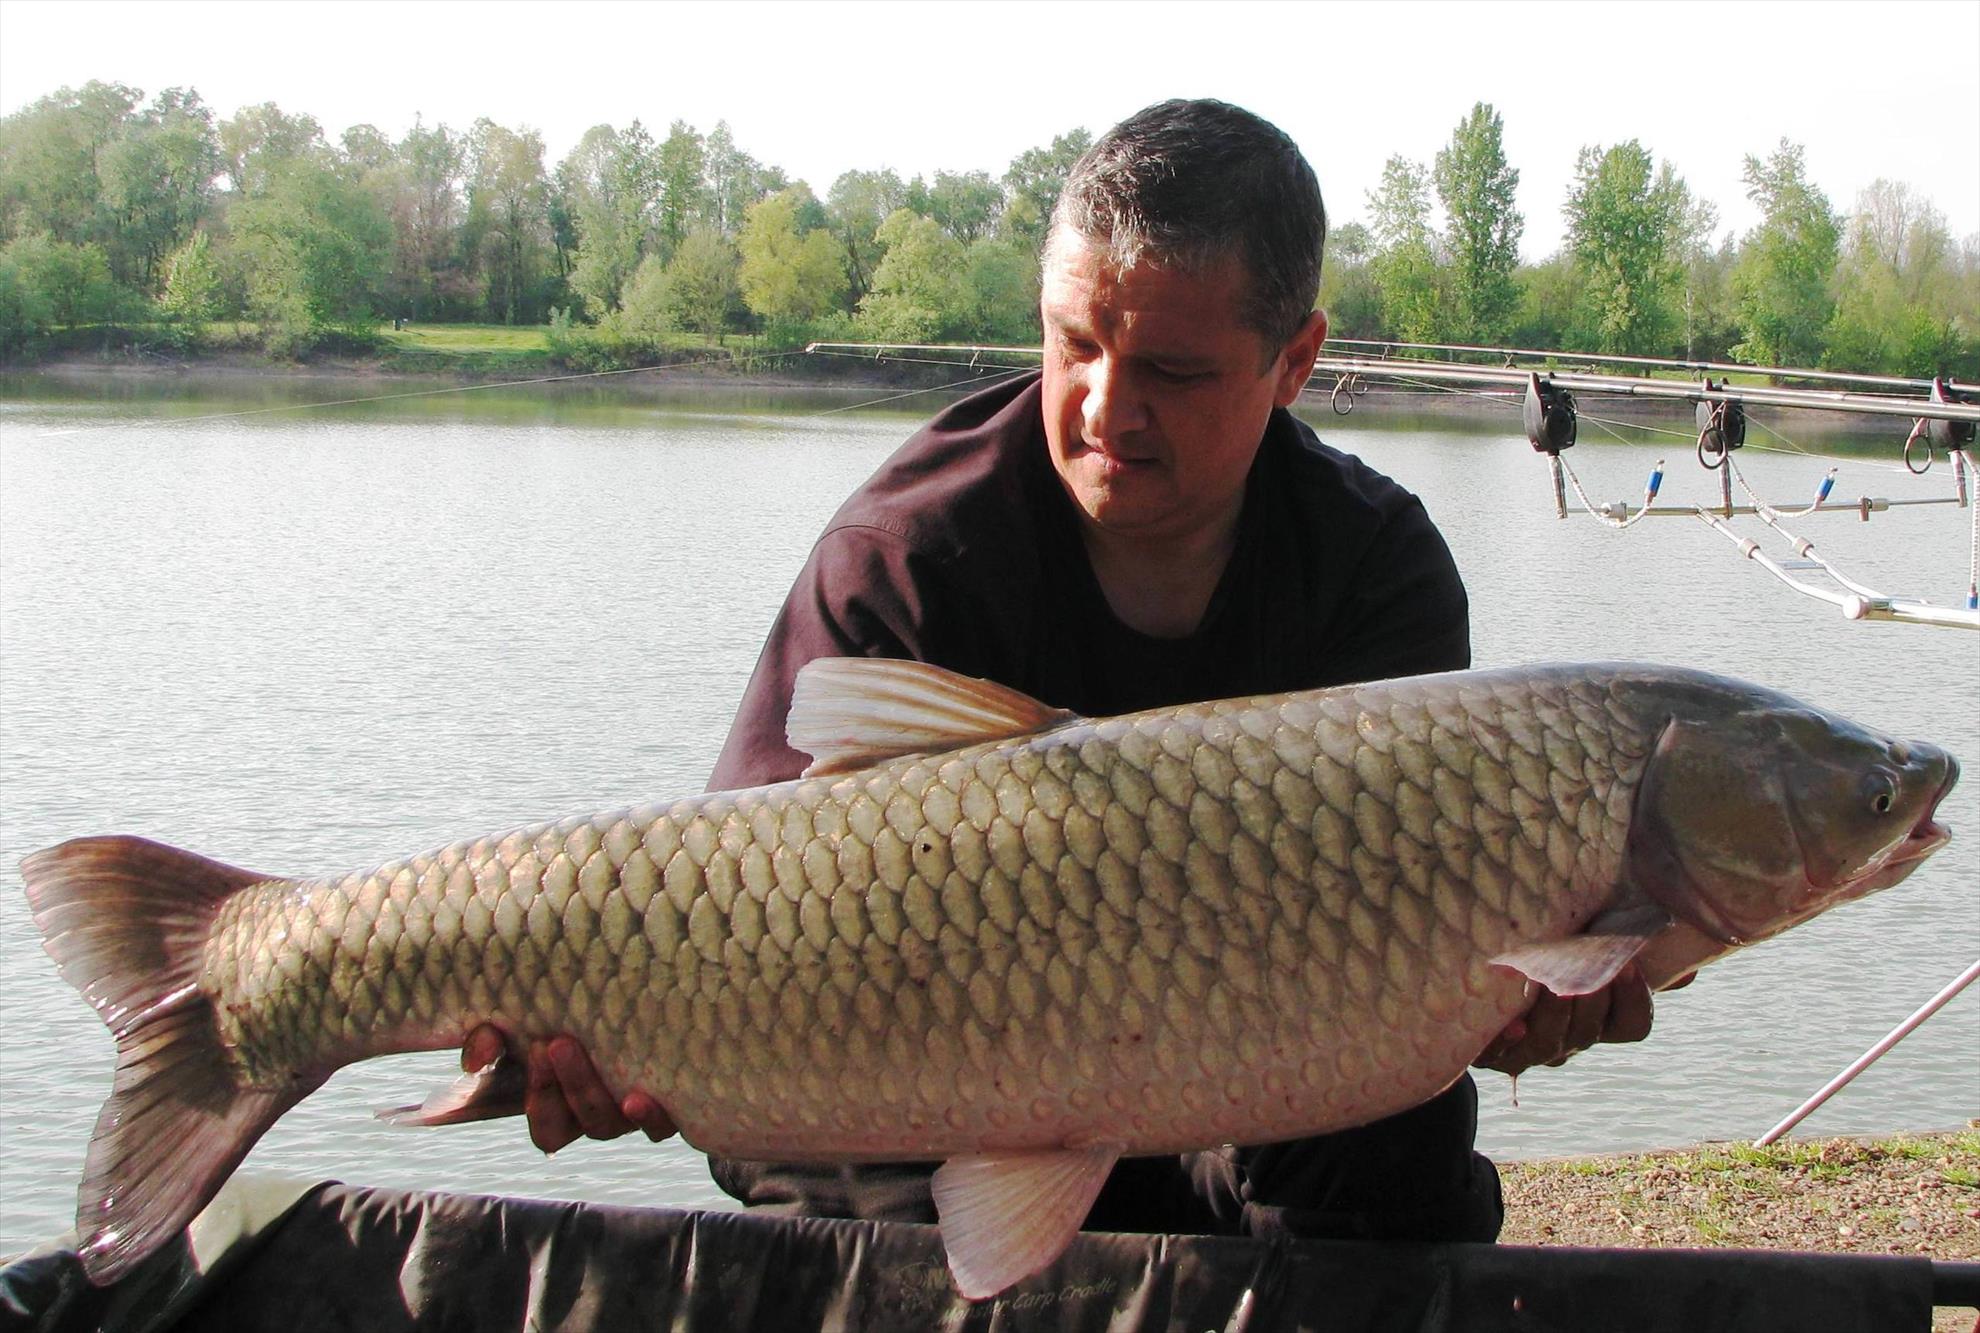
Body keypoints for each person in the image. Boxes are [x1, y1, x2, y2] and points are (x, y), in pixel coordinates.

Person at [460, 97, 1660, 1244]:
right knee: (830, 1181)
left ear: (1295, 360)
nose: (1105, 410)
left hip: (1243, 1093)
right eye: (1075, 343)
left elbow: (1418, 946)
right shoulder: (903, 556)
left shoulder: (1372, 566)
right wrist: (614, 1037)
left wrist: (1504, 1000)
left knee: (1398, 1143)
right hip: (904, 1079)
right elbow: (733, 908)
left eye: (1173, 373)